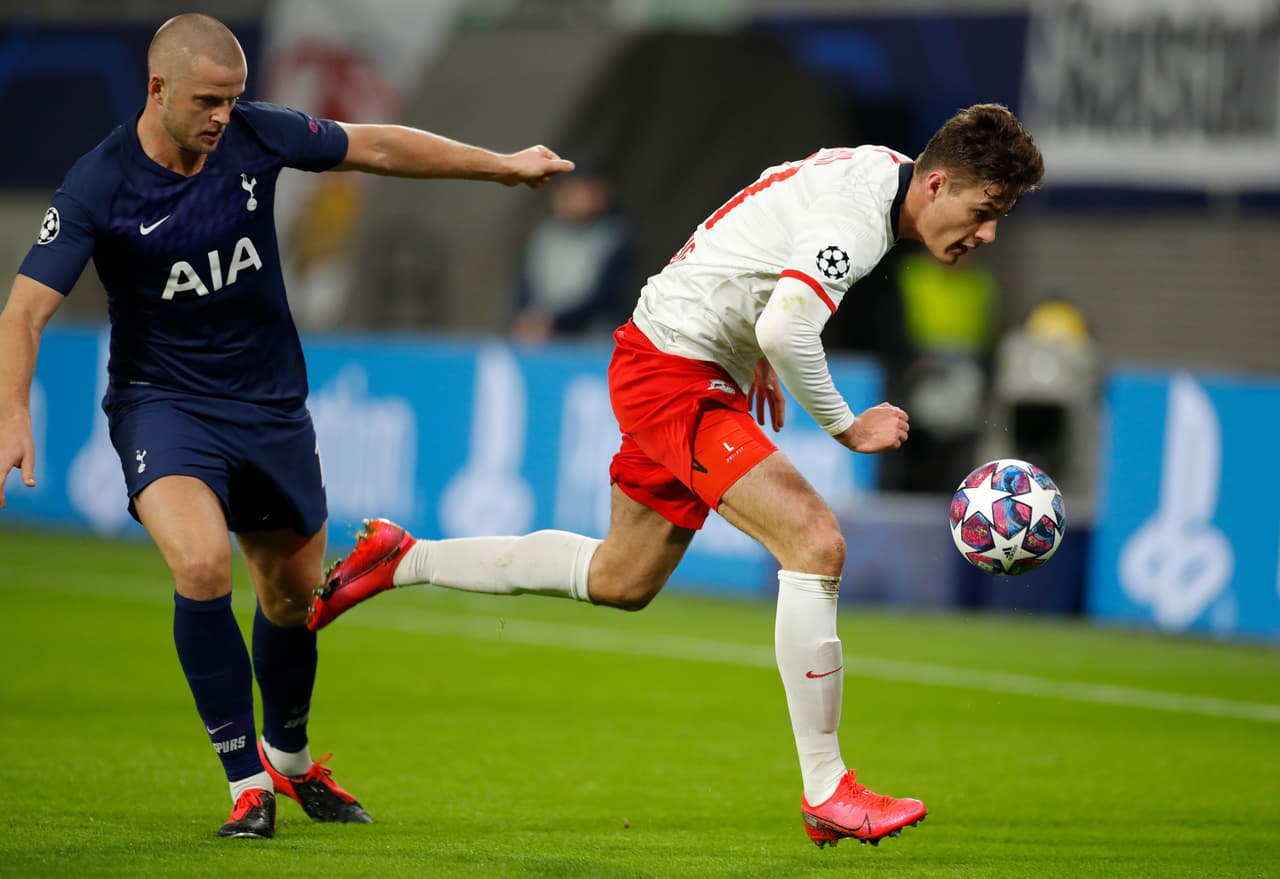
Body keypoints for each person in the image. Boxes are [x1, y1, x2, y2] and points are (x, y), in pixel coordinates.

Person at [309, 103, 1044, 847]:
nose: (987, 234)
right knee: (815, 542)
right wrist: (846, 425)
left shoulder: (878, 171)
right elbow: (787, 326)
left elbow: (768, 202)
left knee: (621, 577)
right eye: (984, 211)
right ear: (938, 183)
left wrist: (748, 338)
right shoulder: (859, 218)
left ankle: (402, 557)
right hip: (675, 372)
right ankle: (828, 788)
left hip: (676, 352)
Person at [0, 13, 571, 840]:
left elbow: (376, 145)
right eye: (206, 101)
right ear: (157, 89)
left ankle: (291, 760)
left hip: (269, 406)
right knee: (202, 564)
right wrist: (14, 412)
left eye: (231, 99)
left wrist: (501, 166)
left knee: (291, 598)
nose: (221, 116)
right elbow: (23, 311)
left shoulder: (257, 134)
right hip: (164, 403)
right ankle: (246, 784)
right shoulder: (99, 183)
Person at [509, 161, 633, 344]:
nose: (580, 199)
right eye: (573, 191)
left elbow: (605, 298)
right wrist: (525, 316)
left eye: (588, 192)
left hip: (591, 341)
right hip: (540, 338)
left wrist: (555, 321)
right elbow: (524, 284)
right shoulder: (545, 234)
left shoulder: (614, 238)